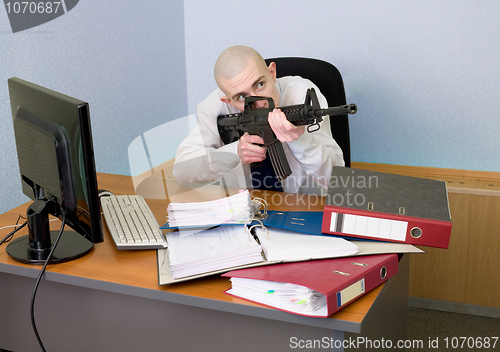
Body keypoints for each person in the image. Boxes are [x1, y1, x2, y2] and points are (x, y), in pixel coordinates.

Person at [173, 45, 344, 194]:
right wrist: (235, 153)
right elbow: (181, 169)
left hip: (304, 207)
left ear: (272, 73)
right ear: (228, 101)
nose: (259, 103)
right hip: (246, 214)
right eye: (241, 96)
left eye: (260, 84)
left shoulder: (302, 95)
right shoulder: (215, 107)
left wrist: (300, 139)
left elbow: (337, 181)